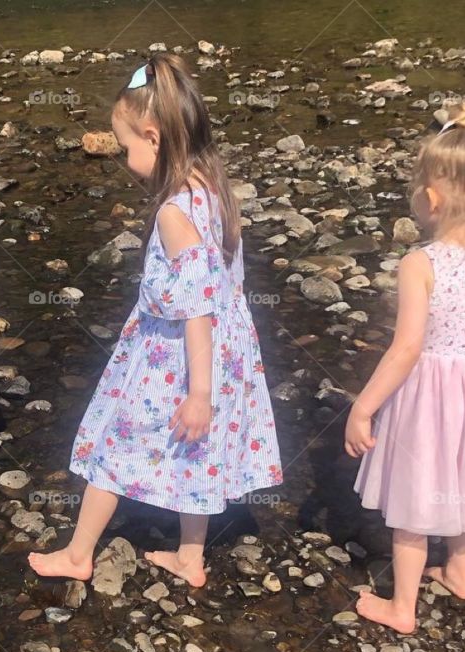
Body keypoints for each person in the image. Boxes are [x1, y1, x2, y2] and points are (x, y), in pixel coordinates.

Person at [29, 54, 282, 587]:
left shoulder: (174, 212)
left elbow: (194, 306)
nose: (124, 159)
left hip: (175, 358)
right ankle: (191, 555)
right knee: (199, 450)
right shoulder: (214, 192)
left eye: (126, 148)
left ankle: (78, 555)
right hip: (223, 348)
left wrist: (199, 393)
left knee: (113, 448)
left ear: (153, 135)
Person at [345, 95, 465, 634]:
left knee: (417, 492)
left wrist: (362, 408)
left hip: (434, 392)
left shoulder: (420, 263)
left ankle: (403, 607)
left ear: (432, 197)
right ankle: (460, 568)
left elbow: (406, 349)